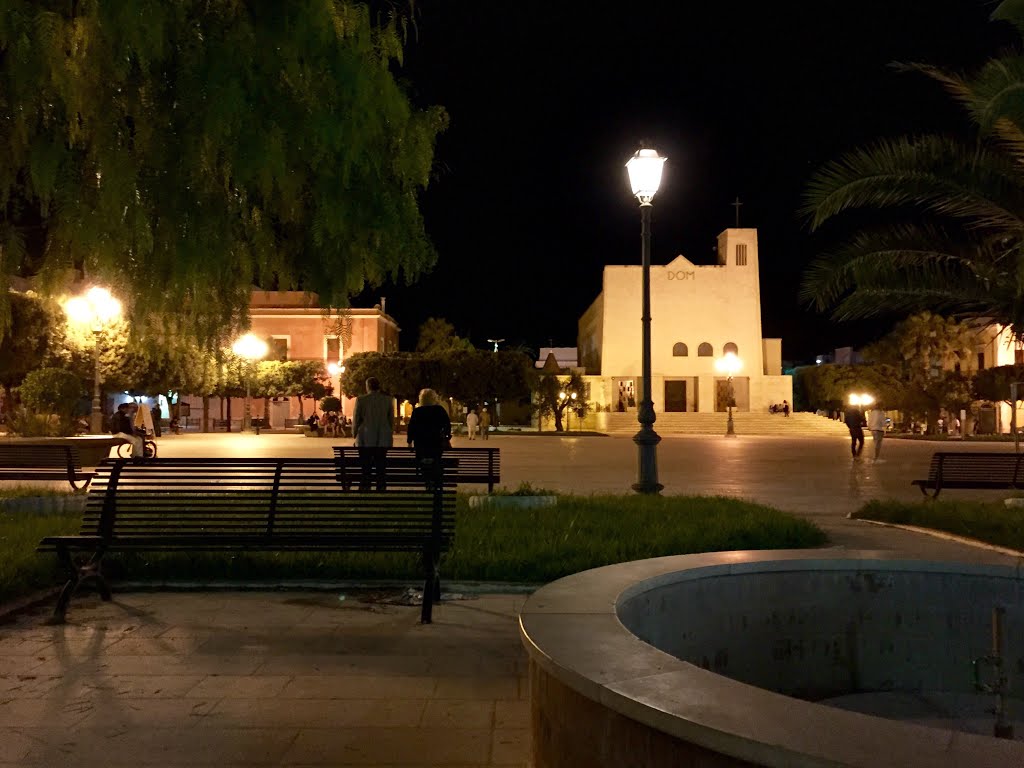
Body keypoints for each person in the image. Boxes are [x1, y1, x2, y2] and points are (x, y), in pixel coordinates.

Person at [353, 376, 395, 491]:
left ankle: (365, 486)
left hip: (365, 438)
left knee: (365, 465)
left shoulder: (361, 400)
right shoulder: (387, 400)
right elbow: (391, 420)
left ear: (368, 386)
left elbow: (356, 419)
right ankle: (381, 487)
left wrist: (354, 433)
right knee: (380, 465)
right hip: (383, 438)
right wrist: (390, 433)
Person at [407, 388, 452, 489]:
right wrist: (447, 436)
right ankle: (435, 482)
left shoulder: (417, 411)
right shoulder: (439, 410)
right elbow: (447, 425)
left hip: (420, 443)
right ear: (434, 398)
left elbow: (411, 427)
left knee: (423, 462)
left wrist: (409, 442)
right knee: (435, 461)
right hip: (436, 442)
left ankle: (427, 482)